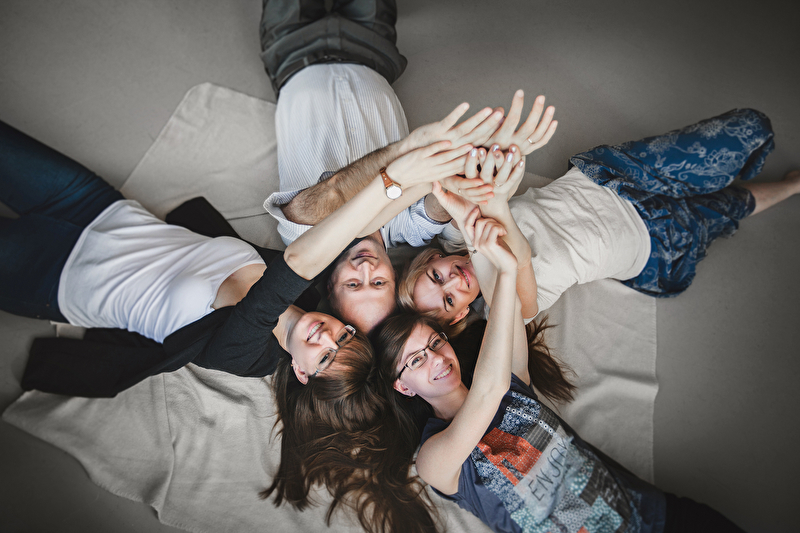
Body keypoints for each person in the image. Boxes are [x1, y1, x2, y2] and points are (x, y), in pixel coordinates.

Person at [0, 118, 469, 397]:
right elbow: (359, 230)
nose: (327, 336)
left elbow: (289, 271)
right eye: (343, 336)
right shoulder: (313, 293)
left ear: (302, 373)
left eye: (325, 357)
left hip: (55, 276)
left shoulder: (247, 356)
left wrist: (398, 177)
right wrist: (430, 177)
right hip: (99, 208)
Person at [370, 213, 747, 533]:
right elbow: (487, 391)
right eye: (416, 360)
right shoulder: (433, 459)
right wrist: (505, 272)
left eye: (435, 342)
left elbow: (506, 306)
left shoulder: (511, 381)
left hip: (658, 516)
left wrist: (474, 229)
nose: (436, 359)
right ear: (403, 386)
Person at [258, 0, 556, 333]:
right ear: (395, 276)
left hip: (295, 52)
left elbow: (334, 191)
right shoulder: (405, 232)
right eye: (379, 283)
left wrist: (405, 152)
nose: (367, 269)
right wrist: (480, 159)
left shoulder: (301, 242)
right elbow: (440, 201)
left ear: (330, 286)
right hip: (373, 51)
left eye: (354, 284)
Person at [400, 102, 800, 330]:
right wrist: (491, 222)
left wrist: (462, 182)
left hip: (615, 178)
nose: (454, 280)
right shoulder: (504, 313)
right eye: (449, 298)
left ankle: (716, 177)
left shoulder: (455, 234)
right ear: (460, 314)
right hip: (655, 240)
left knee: (752, 127)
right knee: (730, 206)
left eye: (436, 276)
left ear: (433, 259)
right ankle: (792, 186)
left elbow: (448, 187)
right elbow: (517, 265)